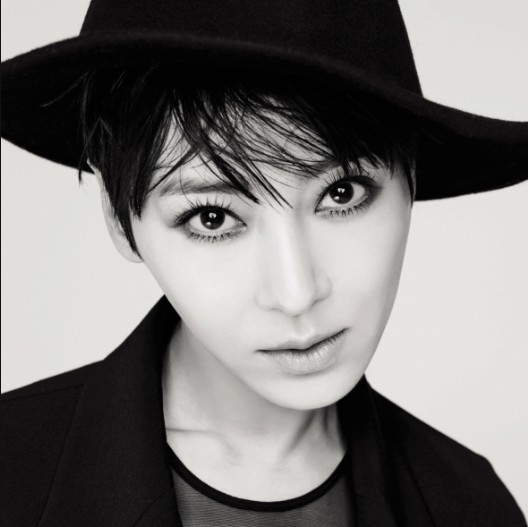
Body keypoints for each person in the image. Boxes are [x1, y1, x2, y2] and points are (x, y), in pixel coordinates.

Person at [1, 0, 527, 526]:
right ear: (118, 219)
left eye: (341, 193)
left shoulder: (472, 508)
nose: (296, 293)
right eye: (211, 218)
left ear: (410, 178)